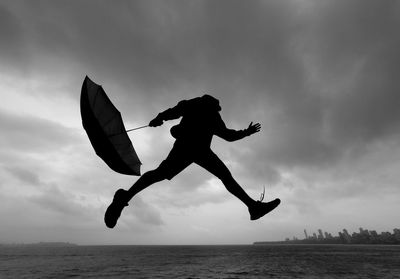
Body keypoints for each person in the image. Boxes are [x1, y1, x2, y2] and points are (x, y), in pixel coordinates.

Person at [105, 94, 280, 228]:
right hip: (195, 150)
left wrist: (159, 118)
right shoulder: (211, 115)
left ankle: (124, 196)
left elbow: (172, 112)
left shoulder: (192, 105)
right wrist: (246, 132)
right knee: (225, 177)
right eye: (217, 108)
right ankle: (252, 207)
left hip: (190, 149)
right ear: (214, 106)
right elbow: (229, 136)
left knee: (159, 174)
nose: (217, 110)